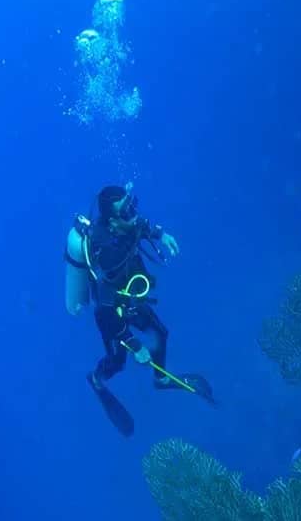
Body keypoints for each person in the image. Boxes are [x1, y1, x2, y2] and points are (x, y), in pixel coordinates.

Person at [65, 184, 212, 436]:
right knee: (118, 361)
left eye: (133, 204)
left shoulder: (126, 224)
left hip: (131, 299)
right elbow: (104, 314)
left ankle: (161, 380)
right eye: (126, 211)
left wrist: (160, 234)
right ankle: (96, 380)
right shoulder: (106, 254)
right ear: (112, 221)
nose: (133, 213)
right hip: (114, 314)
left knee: (160, 333)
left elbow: (139, 225)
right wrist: (133, 344)